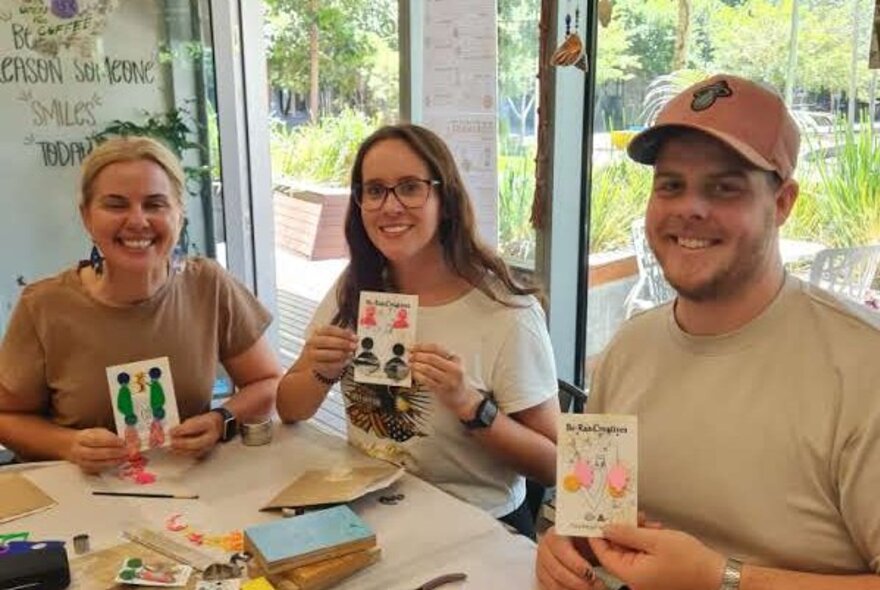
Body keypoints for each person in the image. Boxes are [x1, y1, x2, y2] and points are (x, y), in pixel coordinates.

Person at [537, 74, 880, 589]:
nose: (689, 209)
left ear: (783, 203)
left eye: (725, 187)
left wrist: (722, 580)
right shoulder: (627, 349)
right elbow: (588, 518)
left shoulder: (862, 366)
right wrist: (562, 547)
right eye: (671, 184)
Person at [276, 123, 559, 537]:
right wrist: (320, 371)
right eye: (374, 190)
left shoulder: (507, 313)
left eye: (410, 187)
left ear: (445, 200)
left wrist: (470, 406)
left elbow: (555, 464)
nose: (389, 206)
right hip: (368, 509)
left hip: (477, 527)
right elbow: (289, 408)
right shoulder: (354, 287)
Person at [0, 136, 281, 473]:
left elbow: (267, 382)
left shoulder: (208, 285)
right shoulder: (44, 305)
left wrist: (223, 419)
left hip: (190, 496)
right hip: (82, 501)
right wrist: (69, 445)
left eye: (155, 204)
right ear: (87, 217)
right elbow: (8, 416)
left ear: (179, 214)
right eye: (116, 205)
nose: (137, 220)